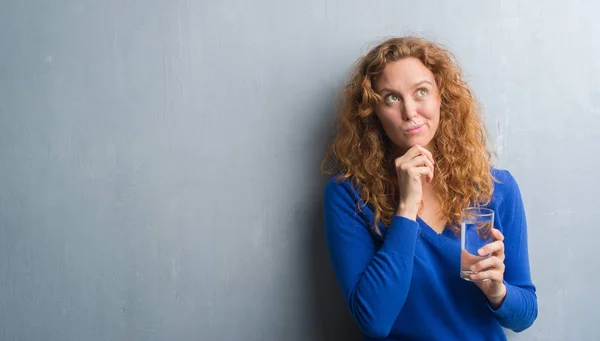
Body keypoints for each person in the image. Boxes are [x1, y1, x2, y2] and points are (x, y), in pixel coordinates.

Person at [321, 36, 537, 340]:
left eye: (421, 92)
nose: (410, 112)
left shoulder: (496, 188)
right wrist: (407, 208)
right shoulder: (349, 196)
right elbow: (373, 321)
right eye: (391, 98)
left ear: (441, 98)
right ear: (374, 111)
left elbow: (525, 315)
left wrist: (497, 291)